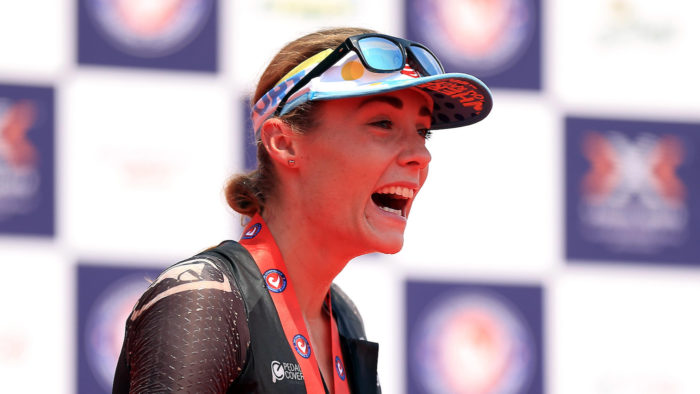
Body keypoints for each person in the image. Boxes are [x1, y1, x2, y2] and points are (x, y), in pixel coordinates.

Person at [112, 27, 492, 393]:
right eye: (382, 123)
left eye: (422, 132)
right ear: (284, 143)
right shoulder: (205, 299)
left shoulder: (342, 315)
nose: (420, 155)